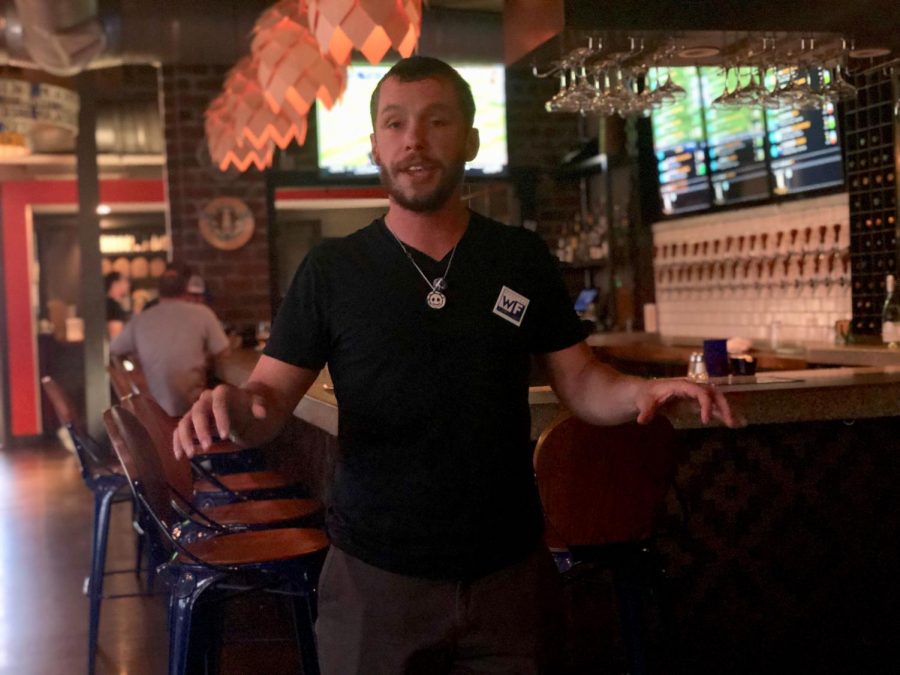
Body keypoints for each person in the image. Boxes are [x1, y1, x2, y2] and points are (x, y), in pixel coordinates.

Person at [173, 56, 737, 674]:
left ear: (470, 139)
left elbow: (579, 380)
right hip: (374, 581)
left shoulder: (518, 258)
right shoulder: (332, 272)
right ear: (374, 146)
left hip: (511, 578)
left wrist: (640, 392)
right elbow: (269, 400)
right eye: (395, 124)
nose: (414, 139)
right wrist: (233, 408)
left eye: (436, 120)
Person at [111, 264, 230, 416]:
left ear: (158, 291)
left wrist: (137, 366)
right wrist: (204, 356)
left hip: (153, 414)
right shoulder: (203, 314)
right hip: (193, 410)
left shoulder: (141, 319)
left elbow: (114, 349)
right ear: (186, 289)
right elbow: (224, 351)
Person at [104, 271, 130, 339]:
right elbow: (116, 338)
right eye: (125, 281)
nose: (128, 285)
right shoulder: (113, 307)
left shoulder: (108, 304)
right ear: (115, 284)